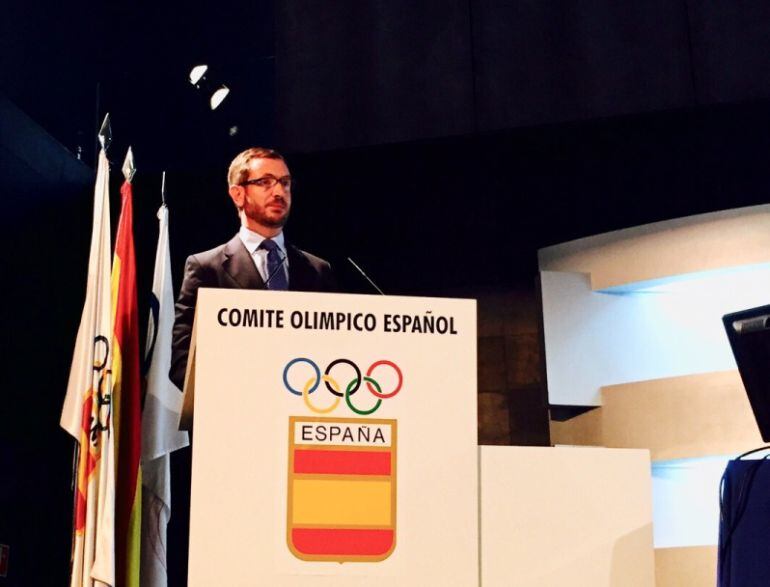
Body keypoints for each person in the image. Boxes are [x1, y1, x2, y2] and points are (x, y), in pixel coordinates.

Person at [170, 147, 337, 389]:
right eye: (265, 182)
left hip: (305, 407)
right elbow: (182, 363)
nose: (279, 192)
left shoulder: (318, 270)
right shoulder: (207, 268)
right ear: (238, 194)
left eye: (285, 183)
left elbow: (334, 349)